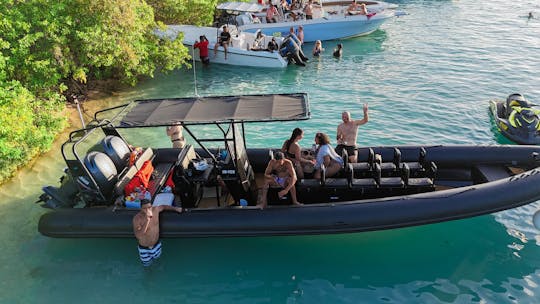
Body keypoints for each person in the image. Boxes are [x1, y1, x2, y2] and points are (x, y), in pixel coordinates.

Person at [133, 200, 183, 266]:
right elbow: (138, 236)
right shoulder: (137, 218)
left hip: (156, 245)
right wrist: (147, 220)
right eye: (145, 208)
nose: (148, 210)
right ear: (141, 209)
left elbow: (163, 206)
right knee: (147, 266)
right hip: (144, 249)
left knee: (158, 262)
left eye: (149, 207)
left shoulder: (156, 210)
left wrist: (175, 208)